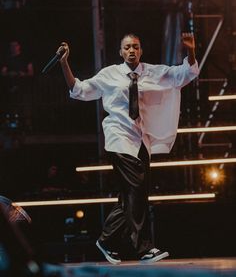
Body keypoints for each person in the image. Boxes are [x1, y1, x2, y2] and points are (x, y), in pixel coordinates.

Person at [58, 32, 199, 264]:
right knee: (136, 190)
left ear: (141, 50)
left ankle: (106, 240)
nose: (131, 50)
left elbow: (185, 74)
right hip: (118, 137)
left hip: (141, 139)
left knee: (133, 195)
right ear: (120, 52)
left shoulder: (152, 72)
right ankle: (143, 248)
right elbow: (79, 90)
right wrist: (64, 63)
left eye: (135, 46)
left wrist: (191, 51)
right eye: (127, 47)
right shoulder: (109, 75)